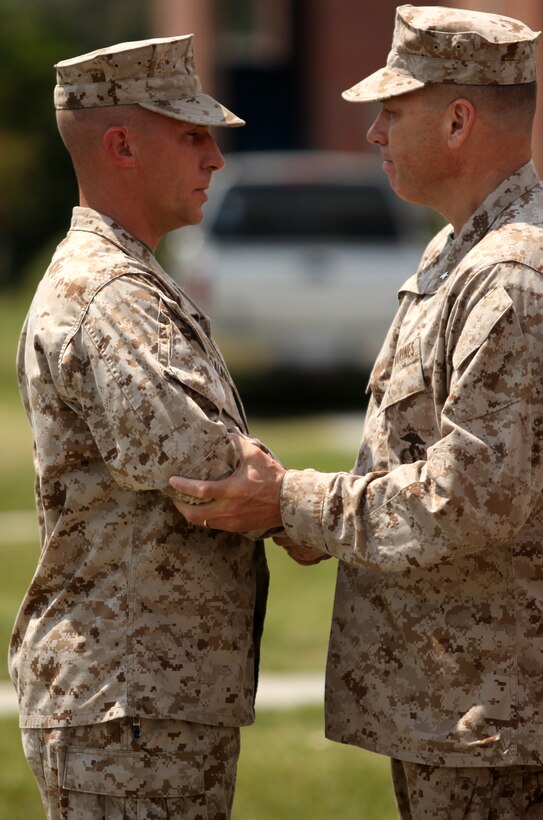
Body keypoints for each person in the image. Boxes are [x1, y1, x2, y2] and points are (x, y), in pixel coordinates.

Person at [170, 5, 543, 818]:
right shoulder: (462, 250)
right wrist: (315, 519)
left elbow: (469, 498)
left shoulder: (515, 280)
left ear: (458, 120)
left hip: (503, 722)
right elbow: (416, 453)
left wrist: (295, 503)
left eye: (392, 110)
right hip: (460, 707)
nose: (374, 133)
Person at [13, 35, 269, 819]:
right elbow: (202, 468)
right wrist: (284, 491)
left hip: (146, 698)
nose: (215, 158)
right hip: (125, 705)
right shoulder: (109, 292)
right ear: (121, 145)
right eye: (193, 135)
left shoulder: (133, 276)